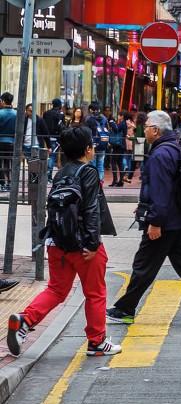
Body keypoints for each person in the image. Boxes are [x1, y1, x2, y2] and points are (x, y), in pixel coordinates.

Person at [7, 126, 120, 357]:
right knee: (95, 293)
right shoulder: (87, 172)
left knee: (57, 290)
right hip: (83, 247)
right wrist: (92, 243)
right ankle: (97, 342)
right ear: (88, 149)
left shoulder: (60, 173)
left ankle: (24, 322)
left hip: (58, 243)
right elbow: (91, 209)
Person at [106, 111, 181, 325]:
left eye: (147, 126)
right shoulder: (173, 148)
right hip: (176, 219)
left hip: (164, 222)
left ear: (156, 130)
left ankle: (125, 309)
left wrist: (155, 221)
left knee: (143, 266)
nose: (145, 129)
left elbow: (161, 190)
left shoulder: (159, 154)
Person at [84, 103, 109, 181]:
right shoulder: (104, 118)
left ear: (91, 110)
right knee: (100, 164)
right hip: (103, 144)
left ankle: (93, 181)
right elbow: (108, 129)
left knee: (92, 164)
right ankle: (100, 181)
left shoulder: (88, 119)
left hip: (92, 145)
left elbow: (86, 132)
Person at [43, 99, 65, 182]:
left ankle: (46, 175)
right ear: (59, 105)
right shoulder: (60, 114)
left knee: (47, 156)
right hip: (56, 137)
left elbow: (44, 124)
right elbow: (63, 127)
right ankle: (48, 176)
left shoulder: (46, 113)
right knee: (52, 156)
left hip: (46, 137)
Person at [0, 92, 17, 191]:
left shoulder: (0, 113)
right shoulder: (16, 114)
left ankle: (2, 183)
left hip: (0, 141)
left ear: (2, 101)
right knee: (8, 163)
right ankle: (10, 183)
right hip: (12, 142)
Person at [108, 111, 128, 187]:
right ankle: (120, 181)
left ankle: (115, 180)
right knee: (119, 163)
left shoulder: (122, 123)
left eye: (119, 115)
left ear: (122, 116)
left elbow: (116, 129)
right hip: (121, 146)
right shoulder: (123, 123)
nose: (118, 117)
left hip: (118, 146)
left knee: (113, 162)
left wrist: (112, 122)